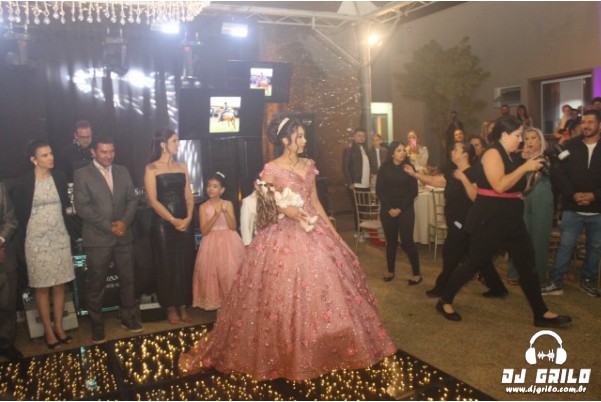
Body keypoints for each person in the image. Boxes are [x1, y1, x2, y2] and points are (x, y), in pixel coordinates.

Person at [179, 116, 396, 380]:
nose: (304, 141)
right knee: (283, 294)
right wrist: (286, 210)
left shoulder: (309, 164)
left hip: (313, 230)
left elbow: (315, 202)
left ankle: (325, 343)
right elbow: (265, 205)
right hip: (283, 235)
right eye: (299, 136)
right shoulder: (271, 169)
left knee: (328, 289)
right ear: (285, 140)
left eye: (304, 136)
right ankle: (292, 349)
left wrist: (333, 233)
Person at [436, 116, 571, 328]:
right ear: (504, 135)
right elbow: (499, 186)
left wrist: (534, 171)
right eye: (518, 135)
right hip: (489, 219)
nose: (521, 140)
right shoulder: (492, 153)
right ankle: (444, 300)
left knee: (527, 265)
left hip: (512, 219)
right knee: (473, 264)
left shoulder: (513, 156)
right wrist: (525, 167)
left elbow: (522, 188)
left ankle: (540, 313)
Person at [404, 142, 507, 298]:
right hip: (456, 223)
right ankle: (498, 287)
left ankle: (441, 288)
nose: (452, 152)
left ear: (465, 154)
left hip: (464, 224)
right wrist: (414, 174)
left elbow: (476, 196)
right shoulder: (453, 173)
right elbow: (433, 181)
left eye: (456, 150)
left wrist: (464, 179)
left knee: (450, 254)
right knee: (477, 256)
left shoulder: (473, 172)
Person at [73, 136, 142, 343]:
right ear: (93, 152)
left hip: (123, 235)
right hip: (97, 238)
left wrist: (124, 222)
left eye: (111, 151)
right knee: (96, 283)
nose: (108, 156)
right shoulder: (82, 174)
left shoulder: (123, 171)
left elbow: (132, 200)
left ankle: (127, 317)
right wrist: (109, 226)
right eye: (104, 152)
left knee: (128, 279)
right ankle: (96, 324)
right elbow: (82, 207)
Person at [11, 140, 75, 350]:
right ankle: (48, 330)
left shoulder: (60, 177)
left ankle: (60, 327)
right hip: (36, 241)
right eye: (45, 155)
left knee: (60, 284)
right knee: (42, 287)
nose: (50, 158)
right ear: (34, 160)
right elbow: (18, 214)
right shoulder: (23, 183)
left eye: (51, 153)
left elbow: (66, 206)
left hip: (60, 238)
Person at [542, 109, 601, 297]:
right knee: (565, 246)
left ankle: (588, 280)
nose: (586, 125)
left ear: (600, 125)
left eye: (590, 122)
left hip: (598, 209)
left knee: (595, 248)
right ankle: (556, 282)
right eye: (584, 122)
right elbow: (558, 173)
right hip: (572, 207)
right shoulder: (570, 145)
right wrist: (573, 194)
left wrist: (594, 196)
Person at [144, 129, 195, 325]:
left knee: (185, 263)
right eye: (175, 141)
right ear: (163, 144)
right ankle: (170, 307)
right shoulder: (151, 168)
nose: (178, 144)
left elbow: (189, 196)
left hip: (185, 222)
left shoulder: (182, 166)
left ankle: (183, 305)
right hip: (163, 224)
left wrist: (188, 218)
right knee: (166, 265)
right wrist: (173, 220)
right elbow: (153, 200)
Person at [507, 128, 553, 288]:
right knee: (519, 235)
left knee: (539, 237)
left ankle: (538, 276)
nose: (530, 141)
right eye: (526, 138)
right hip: (522, 197)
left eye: (533, 138)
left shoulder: (547, 157)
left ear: (540, 140)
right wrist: (522, 161)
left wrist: (532, 160)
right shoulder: (517, 158)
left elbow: (547, 172)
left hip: (542, 196)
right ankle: (514, 273)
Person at [192, 172, 245, 311]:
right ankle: (219, 307)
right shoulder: (203, 207)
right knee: (212, 274)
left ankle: (232, 306)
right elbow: (204, 231)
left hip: (229, 242)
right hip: (211, 243)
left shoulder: (228, 204)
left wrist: (225, 212)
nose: (211, 189)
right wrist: (215, 216)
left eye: (215, 186)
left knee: (230, 272)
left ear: (222, 190)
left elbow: (233, 226)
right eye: (209, 186)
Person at [376, 141, 421, 284]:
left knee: (408, 242)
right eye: (399, 150)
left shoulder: (409, 168)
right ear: (392, 153)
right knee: (391, 242)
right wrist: (390, 208)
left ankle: (417, 274)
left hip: (405, 210)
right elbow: (379, 191)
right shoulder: (384, 168)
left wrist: (399, 209)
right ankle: (390, 271)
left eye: (403, 150)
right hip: (387, 210)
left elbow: (413, 191)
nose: (402, 153)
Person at [0, 182, 23, 362]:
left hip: (4, 254)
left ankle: (6, 344)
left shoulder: (0, 187)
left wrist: (0, 241)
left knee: (6, 303)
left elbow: (11, 220)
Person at [342, 128, 370, 233]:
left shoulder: (366, 149)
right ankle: (358, 231)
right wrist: (350, 182)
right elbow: (345, 167)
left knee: (364, 208)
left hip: (366, 184)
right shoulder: (349, 149)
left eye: (363, 136)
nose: (361, 138)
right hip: (356, 184)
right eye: (359, 135)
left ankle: (362, 229)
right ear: (354, 136)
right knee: (358, 209)